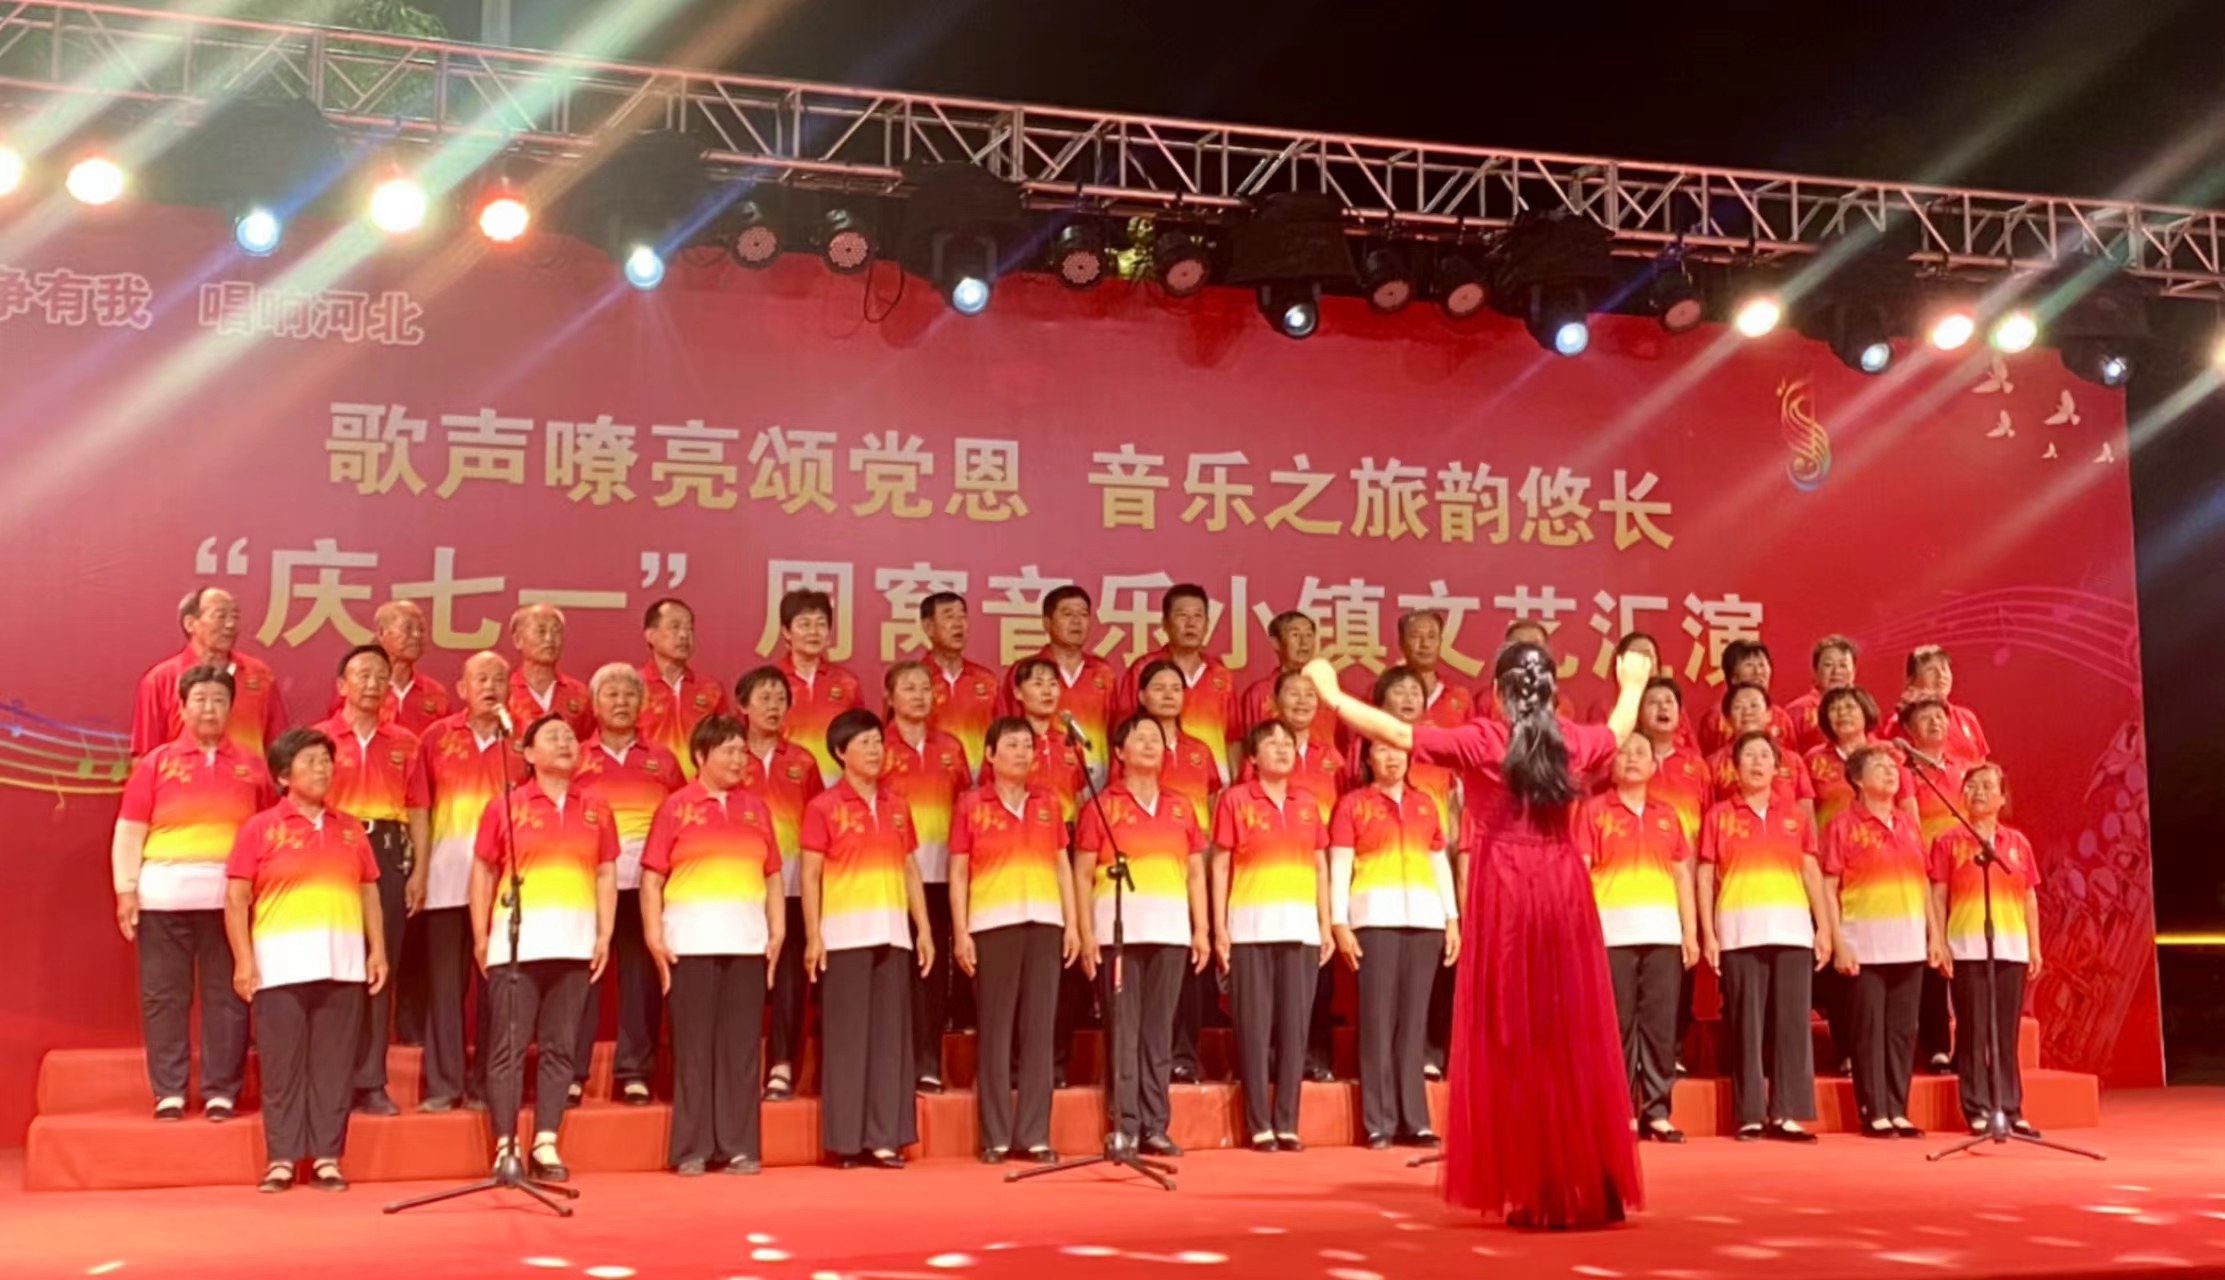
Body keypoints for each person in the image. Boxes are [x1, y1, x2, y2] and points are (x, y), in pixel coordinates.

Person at [1306, 640, 1649, 1228]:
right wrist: (1634, 683)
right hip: (1563, 889)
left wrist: (1333, 696)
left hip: (1509, 892)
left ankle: (1540, 1185)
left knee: (1516, 1038)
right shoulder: (1570, 739)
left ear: (1497, 690)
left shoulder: (1485, 739)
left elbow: (1400, 734)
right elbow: (1617, 730)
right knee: (1570, 1033)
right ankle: (1590, 1179)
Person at [223, 727, 387, 1192]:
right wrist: (243, 961)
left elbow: (369, 892)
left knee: (333, 1066)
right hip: (280, 967)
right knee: (282, 1066)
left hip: (343, 966)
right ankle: (282, 1158)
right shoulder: (259, 829)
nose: (322, 769)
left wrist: (377, 950)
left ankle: (327, 1158)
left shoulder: (351, 828)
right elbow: (236, 899)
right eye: (310, 761)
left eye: (326, 761)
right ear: (283, 775)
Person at [113, 665, 274, 1121]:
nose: (209, 709)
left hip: (229, 903)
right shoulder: (155, 764)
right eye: (200, 699)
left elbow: (267, 833)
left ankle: (222, 1090)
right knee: (164, 996)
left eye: (219, 700)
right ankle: (169, 1091)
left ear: (231, 709)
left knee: (228, 995)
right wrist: (126, 890)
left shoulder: (253, 766)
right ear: (181, 708)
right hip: (163, 899)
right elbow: (129, 831)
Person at [471, 713, 619, 1181]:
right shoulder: (505, 805)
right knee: (508, 1048)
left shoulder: (596, 807)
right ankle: (505, 1143)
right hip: (517, 946)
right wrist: (481, 935)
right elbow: (483, 871)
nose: (565, 743)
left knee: (560, 1047)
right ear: (529, 753)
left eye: (570, 737)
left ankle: (546, 1140)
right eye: (552, 737)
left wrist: (604, 933)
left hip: (574, 944)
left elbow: (606, 872)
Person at [640, 714, 785, 1175]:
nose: (739, 759)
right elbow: (652, 878)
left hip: (747, 943)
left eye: (742, 751)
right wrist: (653, 936)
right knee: (694, 1048)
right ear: (701, 756)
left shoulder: (756, 809)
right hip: (690, 943)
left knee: (741, 1049)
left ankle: (740, 1146)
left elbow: (773, 875)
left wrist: (777, 930)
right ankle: (692, 1148)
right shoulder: (675, 807)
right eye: (729, 751)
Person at [800, 708, 935, 1169]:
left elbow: (911, 870)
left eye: (879, 742)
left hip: (893, 934)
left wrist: (923, 929)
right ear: (841, 752)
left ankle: (884, 1137)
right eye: (864, 744)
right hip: (844, 936)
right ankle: (846, 1141)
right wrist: (813, 935)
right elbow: (811, 875)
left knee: (889, 1039)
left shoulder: (897, 806)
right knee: (847, 1040)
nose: (876, 751)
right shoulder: (823, 807)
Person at [1074, 715, 1210, 1156]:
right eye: (1141, 738)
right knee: (1124, 1029)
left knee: (1158, 1030)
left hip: (1170, 931)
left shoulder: (1180, 806)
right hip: (1119, 934)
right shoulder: (1101, 806)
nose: (1151, 744)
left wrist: (1202, 929)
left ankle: (1155, 1124)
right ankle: (1125, 1124)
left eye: (1157, 738)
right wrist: (1085, 933)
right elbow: (1081, 874)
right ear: (1119, 752)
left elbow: (1195, 873)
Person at [951, 717, 1080, 1162]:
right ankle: (996, 1136)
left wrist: (1072, 924)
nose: (1023, 753)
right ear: (989, 754)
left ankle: (1034, 1133)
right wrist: (961, 932)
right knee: (996, 1031)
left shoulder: (1048, 802)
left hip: (1045, 922)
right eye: (1012, 745)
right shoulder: (970, 804)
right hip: (992, 924)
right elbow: (958, 873)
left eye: (1028, 746)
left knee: (1040, 1031)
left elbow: (1062, 866)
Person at [1698, 731, 1833, 1143]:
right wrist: (1708, 934)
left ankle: (1787, 1112)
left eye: (1765, 756)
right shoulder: (1719, 816)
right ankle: (1751, 1113)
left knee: (1792, 1024)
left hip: (1792, 930)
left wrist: (1824, 927)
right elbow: (1704, 875)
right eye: (1750, 756)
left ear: (1777, 768)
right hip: (1740, 931)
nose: (1758, 763)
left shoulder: (1795, 816)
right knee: (1746, 1024)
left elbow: (1811, 873)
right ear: (1735, 768)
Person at [314, 644, 427, 1117]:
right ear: (342, 685)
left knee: (380, 968)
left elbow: (418, 810)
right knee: (333, 967)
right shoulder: (318, 740)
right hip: (331, 851)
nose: (373, 683)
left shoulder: (405, 742)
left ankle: (371, 1081)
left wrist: (419, 870)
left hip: (386, 849)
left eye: (381, 676)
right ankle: (330, 1078)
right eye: (362, 674)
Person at [1210, 720, 1332, 1153]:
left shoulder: (1307, 802)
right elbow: (1219, 865)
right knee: (1254, 1029)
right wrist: (1219, 927)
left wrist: (1325, 922)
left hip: (1301, 930)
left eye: (1287, 744)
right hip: (1250, 928)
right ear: (1252, 757)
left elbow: (1320, 866)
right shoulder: (1235, 800)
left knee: (1295, 1030)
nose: (1282, 750)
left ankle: (1287, 1122)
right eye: (1272, 743)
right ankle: (1259, 1123)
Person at [1329, 737, 1457, 1149]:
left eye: (1398, 750)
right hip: (1374, 921)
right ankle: (1379, 1121)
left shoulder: (1425, 804)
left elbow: (1439, 864)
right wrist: (1338, 921)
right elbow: (1340, 865)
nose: (1392, 758)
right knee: (1378, 1021)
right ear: (1368, 758)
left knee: (1414, 1024)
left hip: (1425, 921)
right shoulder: (1353, 804)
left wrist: (1451, 918)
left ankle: (1414, 1120)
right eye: (1382, 750)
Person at [570, 664, 681, 1107]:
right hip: (588, 883)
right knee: (582, 977)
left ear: (642, 704)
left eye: (630, 694)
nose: (621, 702)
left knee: (640, 980)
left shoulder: (664, 760)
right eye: (611, 694)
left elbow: (680, 819)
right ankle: (572, 1072)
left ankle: (635, 1072)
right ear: (594, 705)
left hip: (644, 885)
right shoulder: (574, 756)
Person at [1820, 745, 1945, 1138]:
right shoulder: (1841, 825)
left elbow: (1923, 883)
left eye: (1893, 766)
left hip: (1908, 942)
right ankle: (1873, 1109)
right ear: (1857, 779)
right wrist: (1838, 940)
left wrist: (1934, 935)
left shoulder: (1908, 824)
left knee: (1902, 1031)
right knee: (1869, 1031)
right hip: (1864, 943)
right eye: (1879, 766)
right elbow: (1828, 887)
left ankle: (1897, 1108)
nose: (1891, 772)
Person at [1578, 735, 1697, 1144]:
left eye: (1640, 753)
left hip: (1662, 932)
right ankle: (1621, 1109)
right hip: (1611, 934)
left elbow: (1682, 875)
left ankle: (1658, 1111)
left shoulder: (1668, 815)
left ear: (1653, 766)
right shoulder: (1594, 811)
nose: (1631, 759)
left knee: (1661, 1026)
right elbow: (1581, 872)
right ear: (1611, 766)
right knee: (1618, 1024)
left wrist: (1690, 931)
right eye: (1624, 753)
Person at [411, 651, 511, 1111]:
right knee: (446, 988)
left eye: (499, 679)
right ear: (462, 689)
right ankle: (443, 1084)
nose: (490, 686)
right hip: (447, 879)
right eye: (481, 678)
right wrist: (419, 870)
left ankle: (488, 1084)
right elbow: (420, 807)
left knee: (497, 988)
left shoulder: (522, 741)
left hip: (503, 886)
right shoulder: (436, 737)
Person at [1928, 762, 2045, 1137]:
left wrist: (2034, 945)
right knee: (1973, 1031)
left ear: (2002, 797)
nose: (1978, 792)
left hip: (2010, 947)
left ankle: (2010, 1107)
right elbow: (1938, 895)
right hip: (1967, 947)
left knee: (2005, 1034)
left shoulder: (2017, 843)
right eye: (1972, 786)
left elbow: (2028, 896)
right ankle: (1977, 1107)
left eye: (1987, 786)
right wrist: (1939, 941)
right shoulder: (1948, 841)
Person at [1365, 666, 1466, 1082]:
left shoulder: (1439, 745)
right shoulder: (1372, 741)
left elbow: (1456, 807)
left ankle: (1429, 1050)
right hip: (1384, 868)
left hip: (1433, 860)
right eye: (1399, 691)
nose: (1409, 698)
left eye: (1415, 692)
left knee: (1436, 968)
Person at [880, 661, 974, 1095]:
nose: (919, 696)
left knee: (932, 973)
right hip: (890, 877)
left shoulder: (950, 747)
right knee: (893, 973)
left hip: (941, 875)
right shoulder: (877, 746)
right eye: (908, 688)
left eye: (925, 688)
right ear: (889, 697)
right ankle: (893, 1061)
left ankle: (927, 1062)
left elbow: (966, 808)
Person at [734, 664, 826, 1102]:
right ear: (743, 705)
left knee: (790, 979)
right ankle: (740, 1064)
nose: (773, 707)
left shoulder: (803, 762)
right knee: (746, 980)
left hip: (790, 887)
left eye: (780, 699)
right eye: (764, 698)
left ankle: (782, 1064)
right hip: (741, 888)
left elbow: (819, 826)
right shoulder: (730, 757)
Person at [1135, 656, 1225, 1086]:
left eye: (1176, 688)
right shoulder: (1133, 747)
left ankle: (1183, 1054)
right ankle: (1145, 1056)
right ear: (1141, 696)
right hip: (1150, 873)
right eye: (1159, 687)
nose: (1169, 695)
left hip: (1191, 868)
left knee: (1191, 965)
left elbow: (1211, 808)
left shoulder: (1199, 751)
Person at [1004, 655, 1092, 1087]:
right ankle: (1015, 1062)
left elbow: (1083, 800)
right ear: (1018, 692)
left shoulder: (1071, 745)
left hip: (1067, 847)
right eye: (1037, 683)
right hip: (1022, 851)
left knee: (1066, 956)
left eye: (1052, 683)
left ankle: (1055, 1062)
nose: (1047, 690)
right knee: (1022, 960)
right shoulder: (1008, 741)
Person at [1258, 669, 1345, 1083]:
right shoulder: (1264, 753)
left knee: (1318, 973)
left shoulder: (1333, 757)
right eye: (1292, 694)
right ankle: (1273, 1059)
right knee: (1274, 978)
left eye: (1310, 695)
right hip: (1274, 874)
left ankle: (1315, 1056)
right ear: (1275, 702)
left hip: (1319, 871)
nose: (1302, 701)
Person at [1633, 676, 1711, 1076]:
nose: (1662, 708)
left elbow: (1709, 821)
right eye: (1653, 702)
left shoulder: (1697, 766)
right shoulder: (1627, 759)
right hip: (1636, 879)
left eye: (1669, 702)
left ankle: (1673, 1048)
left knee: (1682, 963)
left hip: (1685, 878)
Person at [1895, 696, 1973, 1075]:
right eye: (1925, 718)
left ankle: (1969, 1045)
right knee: (1934, 957)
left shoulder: (1965, 769)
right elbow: (1909, 823)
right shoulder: (1906, 771)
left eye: (1940, 717)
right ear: (1910, 731)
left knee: (1968, 957)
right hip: (1928, 872)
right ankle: (1937, 1044)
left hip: (1967, 874)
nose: (1935, 723)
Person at [130, 587, 286, 759]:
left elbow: (279, 750)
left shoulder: (259, 674)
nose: (230, 625)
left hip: (247, 775)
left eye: (235, 617)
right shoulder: (161, 680)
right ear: (190, 623)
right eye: (220, 616)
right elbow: (145, 756)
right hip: (182, 775)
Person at [1120, 583, 1237, 783]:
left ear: (1207, 624)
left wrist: (1234, 783)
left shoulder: (1221, 674)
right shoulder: (1144, 668)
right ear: (1165, 623)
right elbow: (1124, 731)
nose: (1191, 624)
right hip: (1157, 780)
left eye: (1198, 616)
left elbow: (1234, 737)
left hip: (1211, 785)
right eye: (1182, 616)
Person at [1003, 584, 1119, 783]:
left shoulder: (1103, 672)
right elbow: (1005, 729)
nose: (1076, 621)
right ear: (1047, 623)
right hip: (1036, 779)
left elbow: (1116, 730)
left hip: (1096, 784)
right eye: (1067, 614)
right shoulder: (1025, 670)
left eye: (1083, 614)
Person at [776, 589, 865, 786]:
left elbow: (860, 741)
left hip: (836, 792)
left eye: (821, 624)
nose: (813, 632)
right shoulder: (770, 683)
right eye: (804, 624)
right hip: (784, 789)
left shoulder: (847, 683)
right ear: (786, 632)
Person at [638, 598, 728, 781]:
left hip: (699, 791)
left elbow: (724, 744)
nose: (683, 635)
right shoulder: (633, 686)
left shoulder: (711, 689)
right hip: (647, 787)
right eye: (675, 627)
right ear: (650, 635)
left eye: (689, 628)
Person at [1707, 683, 1818, 828]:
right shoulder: (1712, 764)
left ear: (1769, 714)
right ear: (1727, 718)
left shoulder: (1793, 761)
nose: (1747, 712)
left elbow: (1806, 817)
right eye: (1738, 707)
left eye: (1754, 705)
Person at [920, 592, 1000, 774]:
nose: (958, 624)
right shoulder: (914, 681)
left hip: (981, 780)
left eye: (962, 616)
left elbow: (1002, 734)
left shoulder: (987, 680)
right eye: (949, 616)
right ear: (928, 627)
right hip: (931, 779)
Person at [1239, 611, 1335, 746]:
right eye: (1295, 635)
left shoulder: (1327, 690)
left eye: (1309, 635)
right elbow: (1249, 745)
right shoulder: (1258, 693)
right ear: (1276, 643)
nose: (1304, 643)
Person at [506, 604, 594, 741]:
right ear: (518, 640)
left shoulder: (579, 694)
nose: (549, 639)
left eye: (556, 631)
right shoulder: (504, 694)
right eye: (541, 631)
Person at [1895, 646, 1990, 767]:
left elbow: (1981, 765)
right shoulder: (1899, 722)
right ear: (1910, 680)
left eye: (1944, 669)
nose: (1941, 676)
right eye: (1931, 670)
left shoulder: (1966, 718)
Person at [1696, 641, 1795, 757]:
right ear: (1733, 677)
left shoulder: (1781, 718)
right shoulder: (1716, 717)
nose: (1758, 672)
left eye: (1762, 665)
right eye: (1749, 665)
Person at [1399, 610, 1474, 730]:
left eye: (1432, 636)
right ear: (1401, 643)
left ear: (1440, 642)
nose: (1425, 644)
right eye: (1415, 636)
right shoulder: (1383, 694)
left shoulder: (1460, 696)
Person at [1784, 636, 1858, 755]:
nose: (1836, 671)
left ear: (1853, 672)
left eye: (1843, 665)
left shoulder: (1862, 709)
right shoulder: (1797, 710)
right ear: (1815, 671)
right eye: (1828, 665)